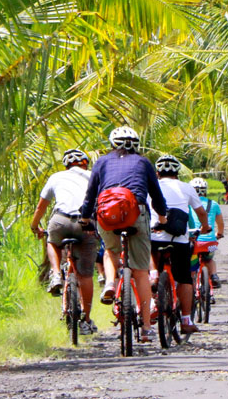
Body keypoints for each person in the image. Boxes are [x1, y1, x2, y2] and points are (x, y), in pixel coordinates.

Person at [79, 126, 167, 342]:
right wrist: (163, 217)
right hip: (135, 211)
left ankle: (110, 283)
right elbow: (156, 195)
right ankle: (146, 328)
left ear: (112, 144)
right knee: (140, 272)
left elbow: (91, 195)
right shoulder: (143, 162)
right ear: (135, 144)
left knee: (110, 250)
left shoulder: (101, 162)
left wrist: (84, 217)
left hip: (107, 213)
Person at [30, 149, 99, 335]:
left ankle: (55, 274)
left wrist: (34, 226)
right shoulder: (93, 175)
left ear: (66, 165)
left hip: (60, 220)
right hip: (85, 222)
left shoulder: (56, 176)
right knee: (85, 275)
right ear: (85, 163)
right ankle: (85, 320)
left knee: (52, 241)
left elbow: (41, 206)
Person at [149, 155, 211, 334]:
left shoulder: (151, 187)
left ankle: (153, 277)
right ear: (177, 172)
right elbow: (200, 213)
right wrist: (205, 227)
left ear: (158, 172)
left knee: (148, 255)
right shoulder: (187, 187)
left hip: (155, 236)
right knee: (184, 278)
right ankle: (186, 320)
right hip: (179, 239)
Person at [188, 177, 225, 291]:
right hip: (210, 241)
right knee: (209, 259)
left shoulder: (188, 204)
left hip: (195, 241)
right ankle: (213, 275)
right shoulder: (213, 204)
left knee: (192, 264)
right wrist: (219, 234)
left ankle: (193, 285)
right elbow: (220, 223)